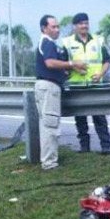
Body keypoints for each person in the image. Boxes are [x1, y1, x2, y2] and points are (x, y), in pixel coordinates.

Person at [34, 14, 87, 170]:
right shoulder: (48, 43)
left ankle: (48, 160)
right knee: (50, 126)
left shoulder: (47, 43)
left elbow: (54, 66)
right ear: (45, 28)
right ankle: (49, 163)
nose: (57, 29)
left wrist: (68, 69)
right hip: (49, 87)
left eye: (58, 26)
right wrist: (71, 63)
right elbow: (50, 63)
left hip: (48, 86)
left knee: (47, 125)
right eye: (53, 26)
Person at [62, 12, 110, 154]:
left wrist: (101, 73)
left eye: (86, 23)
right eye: (81, 23)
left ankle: (105, 147)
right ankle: (85, 147)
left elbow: (107, 61)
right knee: (80, 119)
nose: (84, 26)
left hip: (95, 85)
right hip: (77, 86)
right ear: (75, 26)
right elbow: (64, 64)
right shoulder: (67, 43)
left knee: (99, 117)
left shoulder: (97, 41)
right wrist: (74, 67)